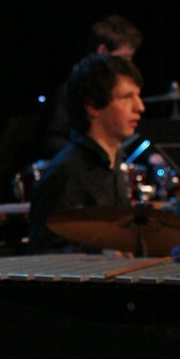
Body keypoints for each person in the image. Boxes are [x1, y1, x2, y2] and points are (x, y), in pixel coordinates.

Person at [28, 52, 145, 251]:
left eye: (138, 96)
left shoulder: (116, 165)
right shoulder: (66, 172)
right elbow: (46, 254)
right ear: (92, 105)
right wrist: (103, 255)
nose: (140, 107)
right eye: (126, 97)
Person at [41, 13, 143, 158]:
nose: (127, 64)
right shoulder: (72, 89)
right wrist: (91, 155)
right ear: (102, 51)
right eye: (124, 57)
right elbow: (54, 139)